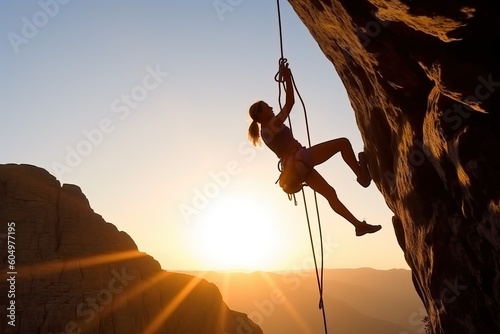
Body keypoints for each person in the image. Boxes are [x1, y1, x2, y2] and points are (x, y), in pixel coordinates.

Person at [247, 63, 381, 237]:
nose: (271, 107)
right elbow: (290, 103)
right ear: (260, 115)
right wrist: (287, 77)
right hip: (301, 158)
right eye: (267, 106)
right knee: (343, 143)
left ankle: (358, 225)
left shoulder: (265, 133)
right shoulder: (271, 125)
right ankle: (362, 176)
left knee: (330, 194)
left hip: (296, 168)